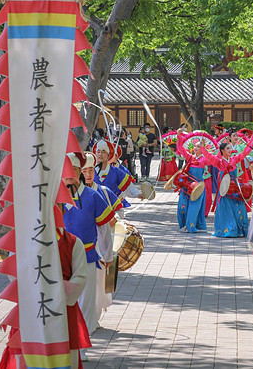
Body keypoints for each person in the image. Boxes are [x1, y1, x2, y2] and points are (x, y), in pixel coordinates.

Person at [0, 226, 92, 369]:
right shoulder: (22, 241)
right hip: (32, 308)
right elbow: (14, 273)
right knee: (26, 356)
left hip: (63, 311)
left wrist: (53, 293)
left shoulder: (73, 242)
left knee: (64, 356)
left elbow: (80, 278)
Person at [62, 152, 117, 361]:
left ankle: (79, 346)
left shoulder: (93, 196)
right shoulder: (54, 197)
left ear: (79, 173)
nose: (68, 176)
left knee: (85, 302)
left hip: (86, 255)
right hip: (58, 258)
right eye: (64, 171)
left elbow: (104, 229)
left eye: (72, 171)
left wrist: (107, 254)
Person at [80, 152, 124, 325]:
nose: (88, 174)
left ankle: (93, 319)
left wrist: (115, 219)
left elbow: (117, 212)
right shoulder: (72, 194)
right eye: (84, 171)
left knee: (98, 286)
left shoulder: (102, 192)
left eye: (91, 170)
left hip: (99, 246)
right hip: (79, 247)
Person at [202, 140, 253, 238]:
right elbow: (208, 156)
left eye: (230, 148)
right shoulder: (219, 162)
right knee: (226, 210)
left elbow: (244, 153)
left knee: (239, 209)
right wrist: (202, 147)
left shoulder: (234, 159)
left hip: (235, 190)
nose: (230, 150)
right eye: (227, 148)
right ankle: (230, 229)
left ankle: (240, 229)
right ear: (222, 151)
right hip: (225, 191)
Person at [94, 140, 144, 218]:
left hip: (112, 209)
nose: (100, 154)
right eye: (98, 152)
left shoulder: (116, 172)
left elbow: (128, 186)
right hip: (94, 210)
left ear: (108, 155)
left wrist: (138, 194)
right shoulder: (90, 172)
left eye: (103, 152)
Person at [174, 130, 212, 233]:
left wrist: (205, 150)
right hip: (187, 185)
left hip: (198, 187)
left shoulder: (205, 159)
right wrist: (179, 136)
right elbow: (181, 149)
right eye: (195, 146)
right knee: (182, 206)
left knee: (194, 208)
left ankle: (191, 226)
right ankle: (183, 225)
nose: (196, 148)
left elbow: (212, 159)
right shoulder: (190, 158)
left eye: (199, 146)